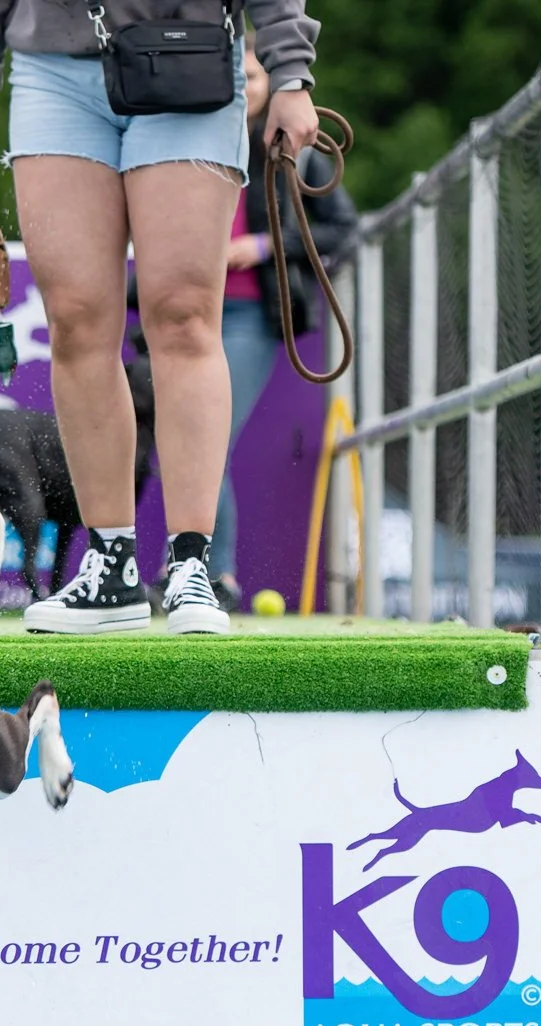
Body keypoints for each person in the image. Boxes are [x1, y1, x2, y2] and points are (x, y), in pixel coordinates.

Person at [0, 0, 322, 637]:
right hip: (53, 68)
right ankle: (110, 566)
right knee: (77, 320)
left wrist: (288, 72)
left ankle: (191, 566)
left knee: (182, 316)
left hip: (191, 58)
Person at [213, 41, 355, 604]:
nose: (242, 86)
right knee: (178, 443)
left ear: (271, 83)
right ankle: (194, 573)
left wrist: (266, 243)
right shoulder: (189, 140)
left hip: (250, 315)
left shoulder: (291, 146)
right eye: (233, 76)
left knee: (208, 440)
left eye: (249, 75)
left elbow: (342, 228)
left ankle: (213, 575)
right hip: (179, 316)